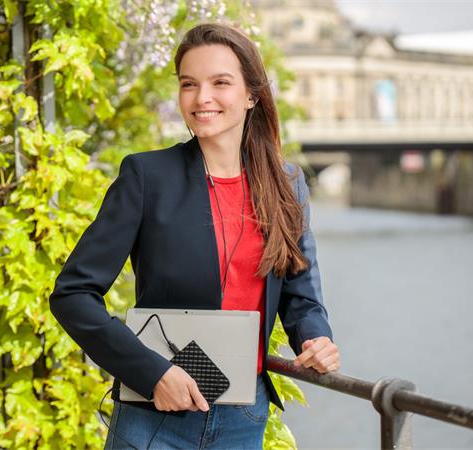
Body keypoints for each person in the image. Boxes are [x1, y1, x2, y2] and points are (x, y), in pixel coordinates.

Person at [49, 23, 340, 449]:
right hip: (155, 413)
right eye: (189, 84)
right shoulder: (146, 176)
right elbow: (72, 295)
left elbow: (301, 296)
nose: (202, 97)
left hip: (243, 418)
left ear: (252, 94)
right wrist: (152, 373)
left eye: (220, 83)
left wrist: (316, 338)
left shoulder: (288, 184)